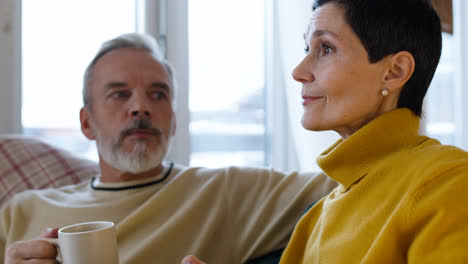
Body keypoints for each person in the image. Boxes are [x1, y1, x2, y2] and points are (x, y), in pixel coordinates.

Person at [0, 33, 337, 264]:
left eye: (158, 94)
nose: (140, 108)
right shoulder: (22, 211)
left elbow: (357, 178)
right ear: (86, 123)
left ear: (173, 122)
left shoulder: (224, 192)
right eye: (119, 94)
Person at [183, 0, 468, 263]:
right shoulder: (316, 218)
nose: (298, 71)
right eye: (308, 50)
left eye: (326, 49)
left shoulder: (449, 180)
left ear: (394, 72)